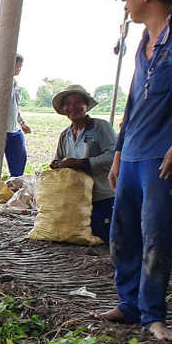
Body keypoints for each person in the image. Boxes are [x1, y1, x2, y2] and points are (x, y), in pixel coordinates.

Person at [99, 0, 172, 342]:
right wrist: (119, 152)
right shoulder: (144, 39)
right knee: (122, 235)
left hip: (164, 151)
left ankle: (153, 315)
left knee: (155, 236)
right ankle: (128, 304)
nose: (124, 3)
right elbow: (131, 100)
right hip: (132, 154)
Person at [49, 84, 117, 243]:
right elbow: (57, 158)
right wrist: (57, 164)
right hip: (75, 198)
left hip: (101, 195)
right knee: (74, 238)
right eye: (68, 104)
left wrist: (83, 163)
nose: (72, 107)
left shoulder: (101, 127)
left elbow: (113, 155)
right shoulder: (65, 134)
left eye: (77, 102)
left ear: (86, 105)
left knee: (102, 239)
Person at [5, 54, 31, 178]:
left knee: (20, 158)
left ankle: (15, 183)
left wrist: (22, 122)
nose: (20, 69)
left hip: (13, 129)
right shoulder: (2, 82)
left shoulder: (14, 83)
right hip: (2, 131)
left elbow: (14, 106)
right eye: (18, 66)